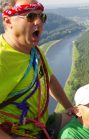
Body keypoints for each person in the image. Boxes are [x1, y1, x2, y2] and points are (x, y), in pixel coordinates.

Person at [0, 0, 73, 138]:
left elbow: (49, 80)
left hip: (40, 125)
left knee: (83, 121)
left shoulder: (34, 51)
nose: (39, 22)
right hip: (16, 133)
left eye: (41, 17)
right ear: (8, 21)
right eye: (31, 16)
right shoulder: (2, 58)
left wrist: (70, 108)